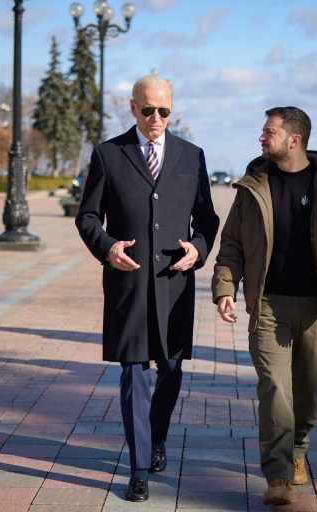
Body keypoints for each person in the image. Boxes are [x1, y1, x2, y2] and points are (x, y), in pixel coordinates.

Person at [212, 106, 317, 506]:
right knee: (275, 387)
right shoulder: (254, 185)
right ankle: (277, 474)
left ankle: (299, 445)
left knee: (306, 391)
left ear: (294, 139)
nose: (261, 138)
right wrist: (225, 286)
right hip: (269, 305)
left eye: (269, 132)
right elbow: (232, 243)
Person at [75, 75, 219, 502]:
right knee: (134, 372)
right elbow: (87, 217)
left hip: (174, 284)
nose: (156, 118)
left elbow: (207, 219)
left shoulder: (192, 156)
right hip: (129, 283)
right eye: (148, 110)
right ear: (133, 107)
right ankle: (138, 466)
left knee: (171, 370)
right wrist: (106, 247)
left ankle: (156, 439)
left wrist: (198, 248)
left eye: (165, 111)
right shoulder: (108, 154)